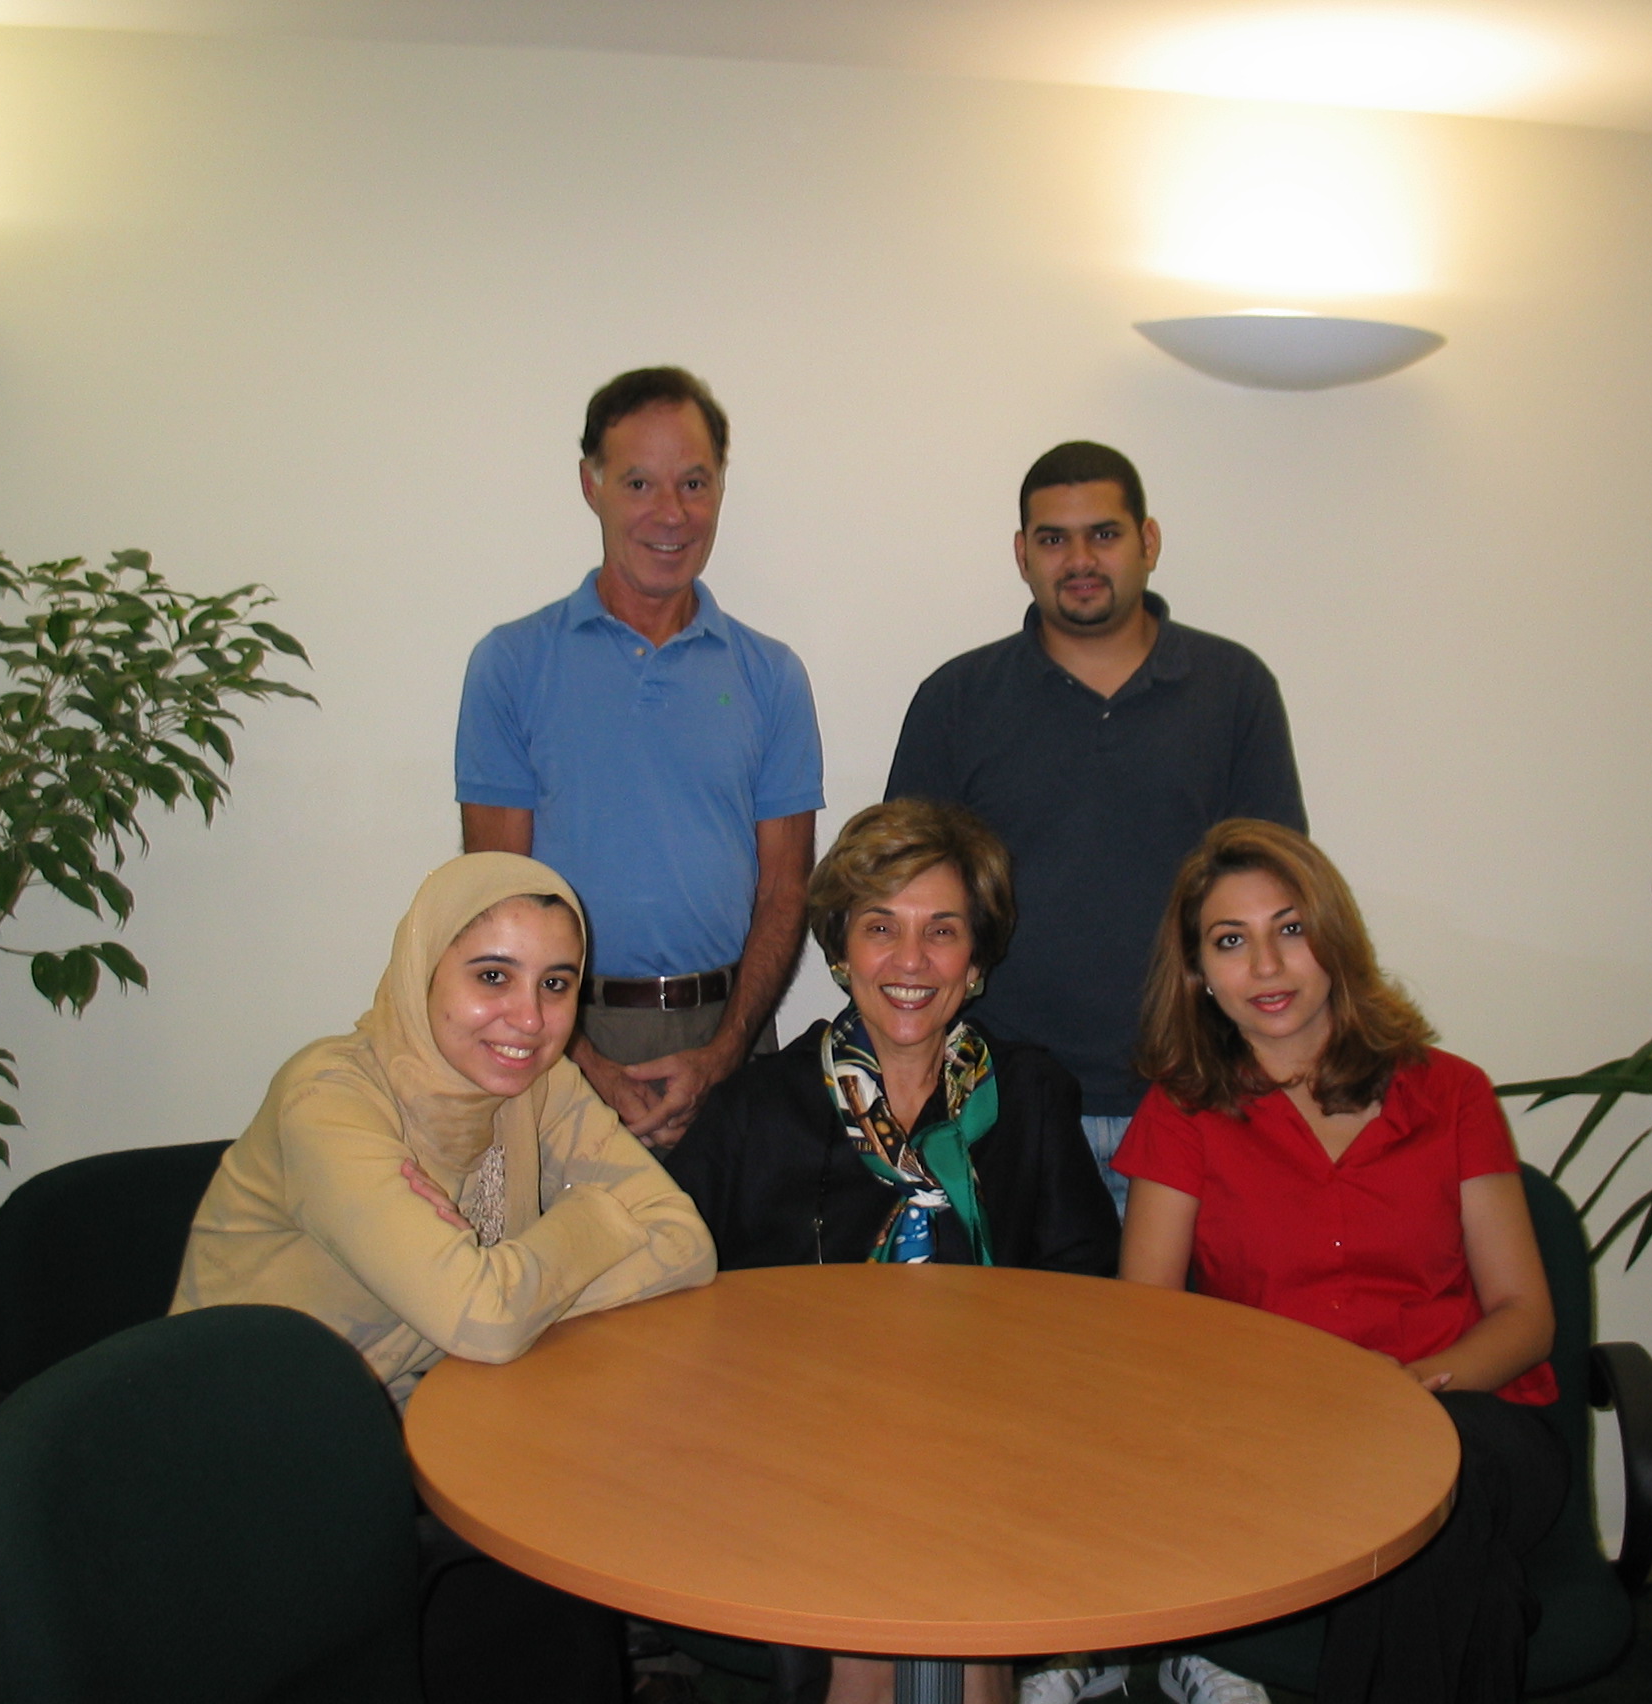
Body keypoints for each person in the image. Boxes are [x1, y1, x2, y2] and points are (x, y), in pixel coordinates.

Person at [175, 852, 717, 1704]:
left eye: (556, 983)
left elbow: (685, 1244)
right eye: (492, 976)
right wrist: (599, 1224)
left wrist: (497, 1282)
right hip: (255, 1457)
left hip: (430, 1417)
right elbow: (487, 1320)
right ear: (421, 971)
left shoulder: (538, 1083)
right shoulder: (330, 1100)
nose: (529, 1019)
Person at [665, 798, 1119, 1704]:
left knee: (961, 1588)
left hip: (998, 1446)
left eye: (941, 932)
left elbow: (1090, 1302)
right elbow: (675, 1294)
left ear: (977, 959)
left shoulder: (1029, 1097)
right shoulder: (756, 1110)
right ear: (840, 951)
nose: (910, 963)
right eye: (881, 928)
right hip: (802, 1452)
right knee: (891, 1607)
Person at [1113, 820, 1566, 1704]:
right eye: (1231, 943)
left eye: (1291, 929)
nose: (1269, 968)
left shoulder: (1453, 1092)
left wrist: (1414, 1389)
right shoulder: (1183, 1113)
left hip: (1467, 1417)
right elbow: (1147, 1329)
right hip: (1275, 1441)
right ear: (1200, 975)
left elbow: (1524, 1313)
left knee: (1432, 1491)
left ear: (1335, 939)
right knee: (1454, 1570)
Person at [885, 441, 1304, 1215]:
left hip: (1196, 1096)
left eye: (1104, 535)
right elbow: (900, 912)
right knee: (1025, 1338)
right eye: (1053, 539)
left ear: (1148, 541)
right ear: (1021, 554)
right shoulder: (958, 699)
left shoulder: (1233, 690)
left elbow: (1278, 903)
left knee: (1184, 1336)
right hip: (1003, 1106)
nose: (1079, 558)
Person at [457, 366, 822, 1152]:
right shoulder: (512, 665)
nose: (671, 513)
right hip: (554, 1036)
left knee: (741, 1277)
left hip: (730, 1041)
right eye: (639, 483)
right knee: (565, 1275)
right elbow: (490, 897)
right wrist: (581, 1061)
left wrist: (723, 1054)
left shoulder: (772, 676)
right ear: (590, 486)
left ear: (722, 484)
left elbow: (786, 893)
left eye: (694, 482)